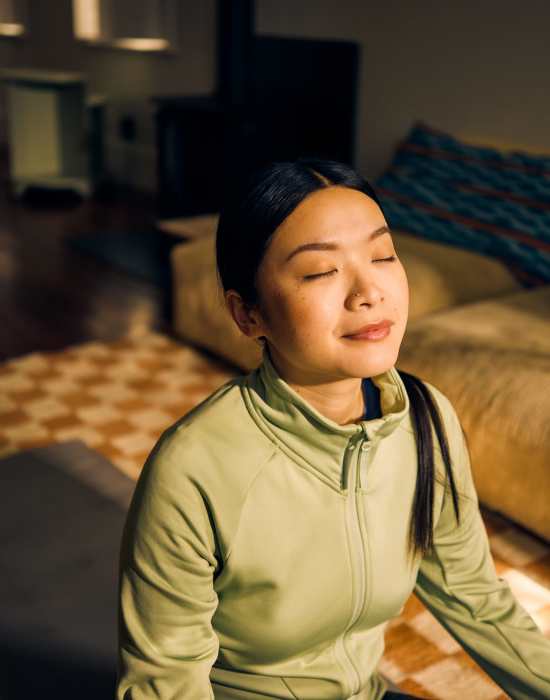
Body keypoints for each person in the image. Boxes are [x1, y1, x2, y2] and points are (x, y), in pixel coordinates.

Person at [116, 158, 550, 700]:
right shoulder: (193, 469)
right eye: (321, 271)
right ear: (248, 315)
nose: (368, 291)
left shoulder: (426, 420)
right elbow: (166, 682)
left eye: (384, 255)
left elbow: (475, 598)